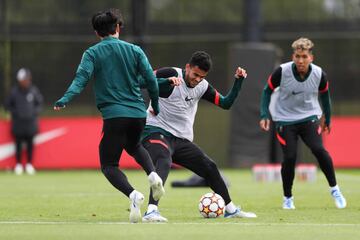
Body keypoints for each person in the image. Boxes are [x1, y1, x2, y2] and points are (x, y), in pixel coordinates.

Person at [54, 9, 180, 223]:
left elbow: (81, 80)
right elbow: (150, 80)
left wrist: (65, 99)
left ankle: (133, 195)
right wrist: (156, 105)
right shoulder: (135, 50)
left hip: (114, 116)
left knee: (109, 165)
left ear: (96, 33)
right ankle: (153, 175)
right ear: (118, 28)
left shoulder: (92, 53)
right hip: (138, 114)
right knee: (134, 146)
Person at [140, 51, 257, 222]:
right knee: (164, 159)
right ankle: (151, 211)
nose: (197, 80)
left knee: (210, 167)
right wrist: (165, 82)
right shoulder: (170, 73)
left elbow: (225, 103)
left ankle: (230, 209)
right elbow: (142, 81)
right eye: (195, 74)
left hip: (180, 139)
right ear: (187, 67)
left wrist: (238, 81)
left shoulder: (202, 86)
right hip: (155, 131)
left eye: (201, 77)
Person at [259, 37, 347, 209]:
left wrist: (327, 118)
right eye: (298, 56)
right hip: (284, 119)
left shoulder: (319, 74)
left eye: (304, 56)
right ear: (293, 56)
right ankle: (288, 198)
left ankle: (335, 190)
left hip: (309, 117)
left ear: (311, 58)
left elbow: (325, 97)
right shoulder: (282, 72)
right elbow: (266, 91)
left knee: (319, 150)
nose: (300, 60)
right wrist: (264, 114)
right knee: (290, 157)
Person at [5, 68, 43, 175]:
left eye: (26, 79)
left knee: (30, 144)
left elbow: (39, 104)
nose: (25, 81)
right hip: (18, 123)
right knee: (18, 144)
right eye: (22, 79)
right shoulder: (14, 92)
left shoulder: (34, 90)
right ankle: (18, 165)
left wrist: (33, 113)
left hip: (30, 123)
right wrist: (16, 113)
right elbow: (8, 105)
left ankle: (29, 164)